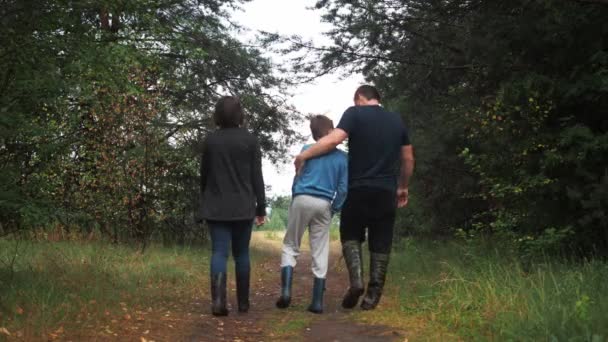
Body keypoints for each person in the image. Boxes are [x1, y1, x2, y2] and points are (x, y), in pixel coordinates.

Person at [294, 85, 414, 310]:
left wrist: (304, 155)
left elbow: (332, 141)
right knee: (381, 240)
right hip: (386, 190)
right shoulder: (396, 120)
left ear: (360, 98)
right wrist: (403, 186)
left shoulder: (354, 113)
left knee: (350, 234)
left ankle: (356, 282)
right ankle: (372, 295)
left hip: (357, 188)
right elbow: (408, 159)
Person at [200, 96, 266, 316]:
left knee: (219, 252)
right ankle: (244, 303)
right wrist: (261, 208)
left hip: (216, 206)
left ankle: (218, 302)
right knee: (242, 254)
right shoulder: (251, 140)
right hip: (243, 206)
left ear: (217, 114)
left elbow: (205, 175)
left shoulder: (211, 140)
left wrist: (205, 199)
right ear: (240, 114)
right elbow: (257, 177)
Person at [276, 115, 348, 314]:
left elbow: (296, 177)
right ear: (330, 132)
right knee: (319, 249)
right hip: (324, 203)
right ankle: (317, 302)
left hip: (302, 198)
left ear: (314, 133)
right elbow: (343, 189)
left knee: (291, 244)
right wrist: (334, 208)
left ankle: (286, 291)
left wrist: (295, 197)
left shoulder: (306, 151)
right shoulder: (342, 158)